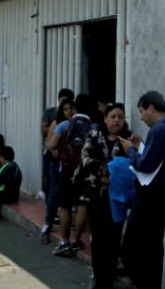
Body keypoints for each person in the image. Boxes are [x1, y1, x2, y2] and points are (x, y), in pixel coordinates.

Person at [119, 91, 165, 289]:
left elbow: (146, 165)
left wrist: (130, 150)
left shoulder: (159, 130)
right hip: (161, 193)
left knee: (130, 247)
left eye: (142, 111)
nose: (141, 116)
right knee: (153, 246)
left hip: (149, 195)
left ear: (151, 108)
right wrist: (140, 146)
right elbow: (157, 160)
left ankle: (144, 283)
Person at [74, 102, 131, 289]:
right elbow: (86, 158)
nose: (116, 120)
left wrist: (114, 175)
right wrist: (106, 173)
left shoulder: (127, 141)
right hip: (96, 196)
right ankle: (99, 277)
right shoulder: (94, 135)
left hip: (117, 198)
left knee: (114, 238)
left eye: (120, 117)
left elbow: (132, 167)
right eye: (113, 116)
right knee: (98, 238)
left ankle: (109, 276)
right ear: (105, 119)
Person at [47, 95, 94, 256]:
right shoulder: (94, 127)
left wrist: (61, 150)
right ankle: (76, 240)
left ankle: (64, 242)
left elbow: (51, 145)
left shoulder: (65, 125)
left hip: (66, 171)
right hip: (86, 172)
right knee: (82, 206)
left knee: (65, 206)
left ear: (75, 108)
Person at [40, 97, 76, 244]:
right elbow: (49, 144)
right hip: (57, 163)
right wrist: (55, 151)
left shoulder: (79, 124)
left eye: (71, 108)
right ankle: (47, 223)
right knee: (55, 192)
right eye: (66, 109)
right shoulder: (57, 123)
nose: (69, 112)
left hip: (73, 165)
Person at [42, 88, 75, 199]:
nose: (67, 109)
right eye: (61, 100)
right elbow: (43, 131)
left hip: (66, 156)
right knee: (51, 183)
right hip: (51, 152)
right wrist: (57, 128)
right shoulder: (51, 113)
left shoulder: (74, 119)